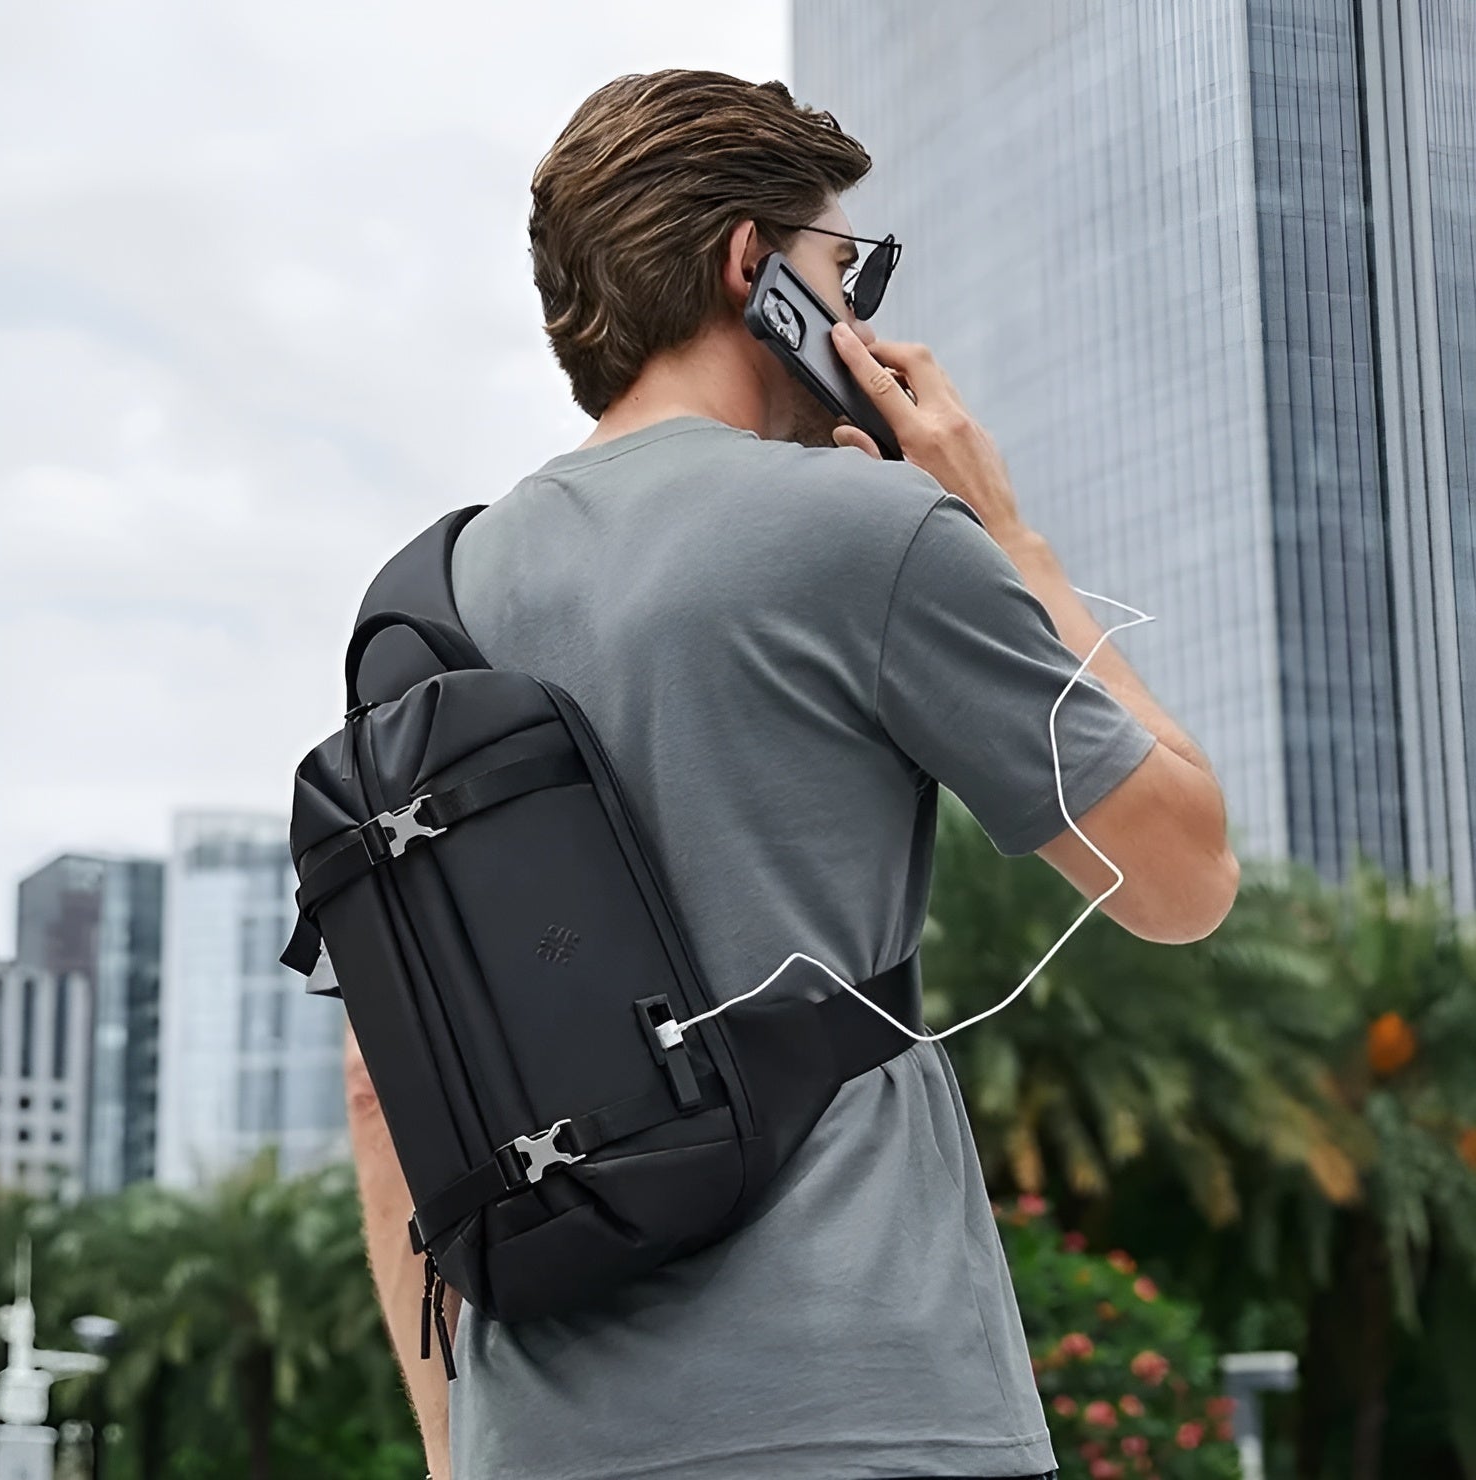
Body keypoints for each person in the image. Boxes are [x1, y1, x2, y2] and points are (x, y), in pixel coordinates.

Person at [343, 68, 1239, 1480]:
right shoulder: (866, 531)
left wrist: (471, 1454)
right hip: (867, 1409)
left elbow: (381, 1090)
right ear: (751, 270)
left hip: (541, 1435)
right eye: (847, 267)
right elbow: (1183, 877)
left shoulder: (423, 605)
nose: (863, 313)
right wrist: (1003, 530)